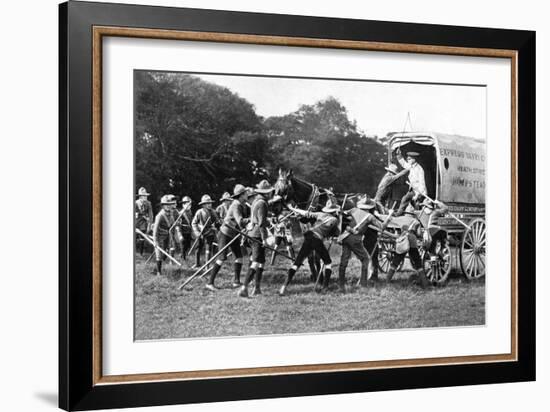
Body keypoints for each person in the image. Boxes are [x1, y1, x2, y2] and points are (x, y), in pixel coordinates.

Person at [279, 199, 340, 296]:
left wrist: (292, 209)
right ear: (334, 211)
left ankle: (283, 287)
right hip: (317, 239)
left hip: (308, 236)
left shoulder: (320, 214)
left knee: (297, 263)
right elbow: (336, 233)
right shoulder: (335, 220)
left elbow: (306, 213)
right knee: (328, 262)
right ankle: (325, 287)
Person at [206, 184, 250, 291]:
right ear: (241, 195)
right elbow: (240, 221)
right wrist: (252, 220)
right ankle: (210, 283)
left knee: (239, 256)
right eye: (245, 193)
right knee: (222, 258)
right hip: (225, 233)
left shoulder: (242, 204)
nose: (247, 195)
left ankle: (236, 281)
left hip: (234, 234)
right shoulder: (236, 205)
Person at [338, 198, 386, 291]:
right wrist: (389, 218)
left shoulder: (353, 210)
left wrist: (348, 227)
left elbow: (342, 215)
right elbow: (382, 227)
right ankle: (363, 285)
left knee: (344, 261)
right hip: (356, 239)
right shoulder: (370, 217)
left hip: (345, 237)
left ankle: (341, 286)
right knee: (365, 259)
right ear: (370, 207)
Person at [239, 180, 275, 298]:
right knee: (255, 262)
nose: (271, 194)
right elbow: (261, 224)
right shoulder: (263, 203)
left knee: (261, 261)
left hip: (251, 233)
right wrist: (265, 239)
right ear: (266, 193)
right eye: (270, 192)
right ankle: (244, 288)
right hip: (257, 235)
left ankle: (257, 288)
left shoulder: (256, 201)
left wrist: (269, 219)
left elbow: (257, 218)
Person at [386, 220, 430, 288]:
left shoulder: (402, 219)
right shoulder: (416, 221)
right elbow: (418, 233)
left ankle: (387, 281)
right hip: (412, 240)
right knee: (418, 263)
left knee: (395, 262)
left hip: (403, 240)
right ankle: (425, 284)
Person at [395, 149, 427, 216]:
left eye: (409, 159)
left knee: (415, 204)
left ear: (414, 159)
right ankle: (398, 214)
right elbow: (403, 163)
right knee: (406, 199)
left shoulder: (419, 169)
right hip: (413, 190)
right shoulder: (411, 166)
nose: (407, 160)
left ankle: (419, 217)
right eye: (408, 159)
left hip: (420, 192)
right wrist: (399, 155)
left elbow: (422, 184)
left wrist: (417, 195)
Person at [191, 195, 219, 269]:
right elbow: (194, 223)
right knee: (198, 248)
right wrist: (197, 231)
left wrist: (216, 225)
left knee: (208, 248)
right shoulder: (199, 212)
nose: (209, 205)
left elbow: (217, 222)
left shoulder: (213, 212)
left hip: (210, 232)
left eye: (210, 203)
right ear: (203, 204)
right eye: (207, 203)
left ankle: (207, 265)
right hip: (200, 233)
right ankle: (197, 263)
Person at [152, 195, 177, 276]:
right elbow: (155, 229)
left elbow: (172, 224)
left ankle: (156, 268)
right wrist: (155, 241)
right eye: (166, 204)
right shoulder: (160, 216)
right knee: (159, 254)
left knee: (164, 254)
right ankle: (159, 272)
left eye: (170, 204)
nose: (168, 206)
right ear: (163, 206)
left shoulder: (171, 214)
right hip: (159, 237)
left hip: (167, 236)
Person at [135, 187, 153, 255]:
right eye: (144, 196)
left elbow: (151, 215)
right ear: (140, 197)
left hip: (144, 222)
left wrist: (150, 225)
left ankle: (141, 253)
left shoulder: (148, 203)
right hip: (136, 221)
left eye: (146, 196)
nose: (146, 197)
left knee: (143, 236)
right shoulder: (136, 203)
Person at [177, 196, 193, 260]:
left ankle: (182, 255)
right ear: (183, 205)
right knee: (183, 245)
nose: (189, 206)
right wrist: (179, 234)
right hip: (183, 231)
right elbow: (178, 224)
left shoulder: (190, 212)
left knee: (188, 245)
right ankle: (183, 258)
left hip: (188, 231)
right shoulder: (181, 213)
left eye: (190, 204)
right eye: (187, 204)